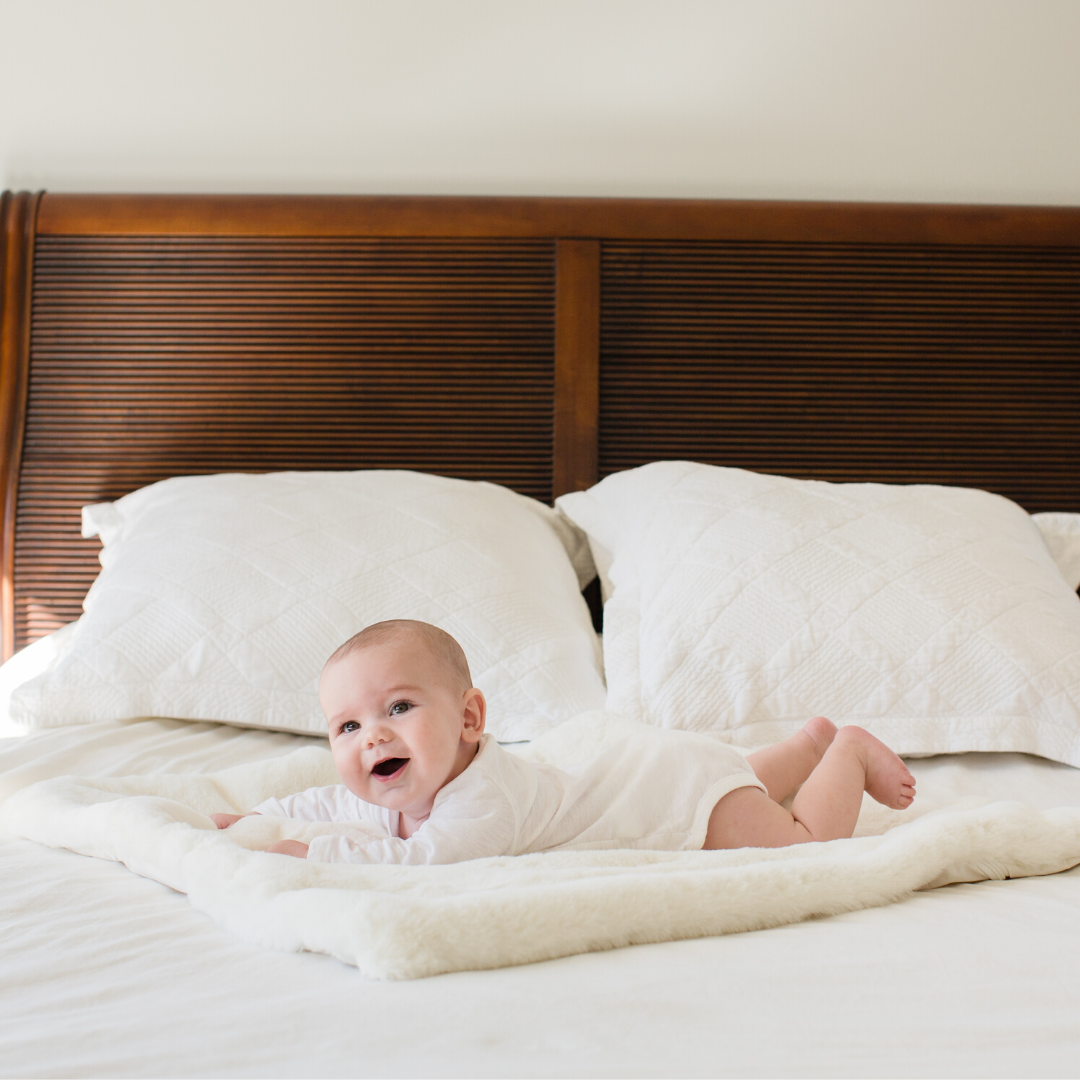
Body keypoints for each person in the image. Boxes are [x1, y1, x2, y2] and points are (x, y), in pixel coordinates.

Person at [211, 620, 915, 863]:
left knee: (794, 843)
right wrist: (258, 819)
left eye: (398, 706)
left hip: (665, 789)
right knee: (724, 775)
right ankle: (802, 748)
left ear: (469, 718)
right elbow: (335, 805)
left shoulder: (480, 801)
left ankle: (844, 750)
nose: (374, 738)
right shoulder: (407, 780)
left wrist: (310, 854)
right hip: (643, 766)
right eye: (349, 727)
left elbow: (418, 864)